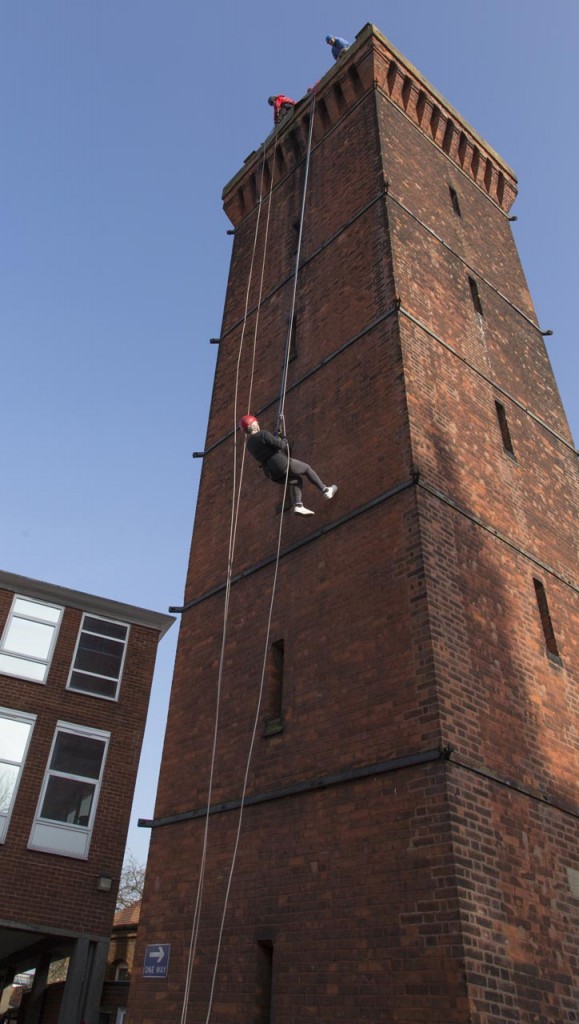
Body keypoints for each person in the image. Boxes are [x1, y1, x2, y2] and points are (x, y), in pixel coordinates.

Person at [239, 415, 337, 516]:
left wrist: (275, 438)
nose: (258, 424)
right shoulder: (262, 434)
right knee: (306, 468)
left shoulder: (249, 445)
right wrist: (284, 439)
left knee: (296, 480)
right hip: (279, 462)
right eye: (256, 422)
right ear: (253, 425)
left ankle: (298, 506)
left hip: (271, 473)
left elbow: (267, 447)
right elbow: (281, 445)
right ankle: (325, 490)